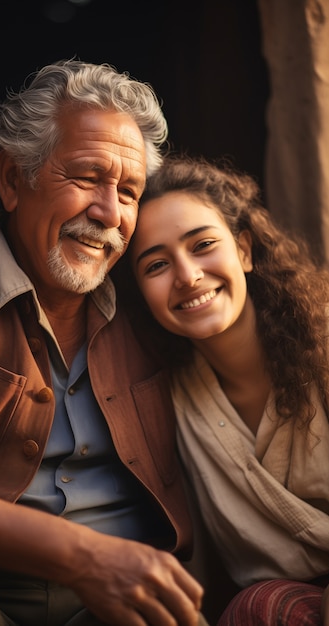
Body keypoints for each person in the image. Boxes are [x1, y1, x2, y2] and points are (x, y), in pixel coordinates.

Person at [0, 61, 208, 626]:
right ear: (11, 179)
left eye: (128, 192)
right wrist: (84, 558)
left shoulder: (149, 293)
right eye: (85, 177)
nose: (108, 213)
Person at [122, 153, 329, 625]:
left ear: (245, 251)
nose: (187, 275)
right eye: (156, 265)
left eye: (203, 245)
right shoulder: (171, 399)